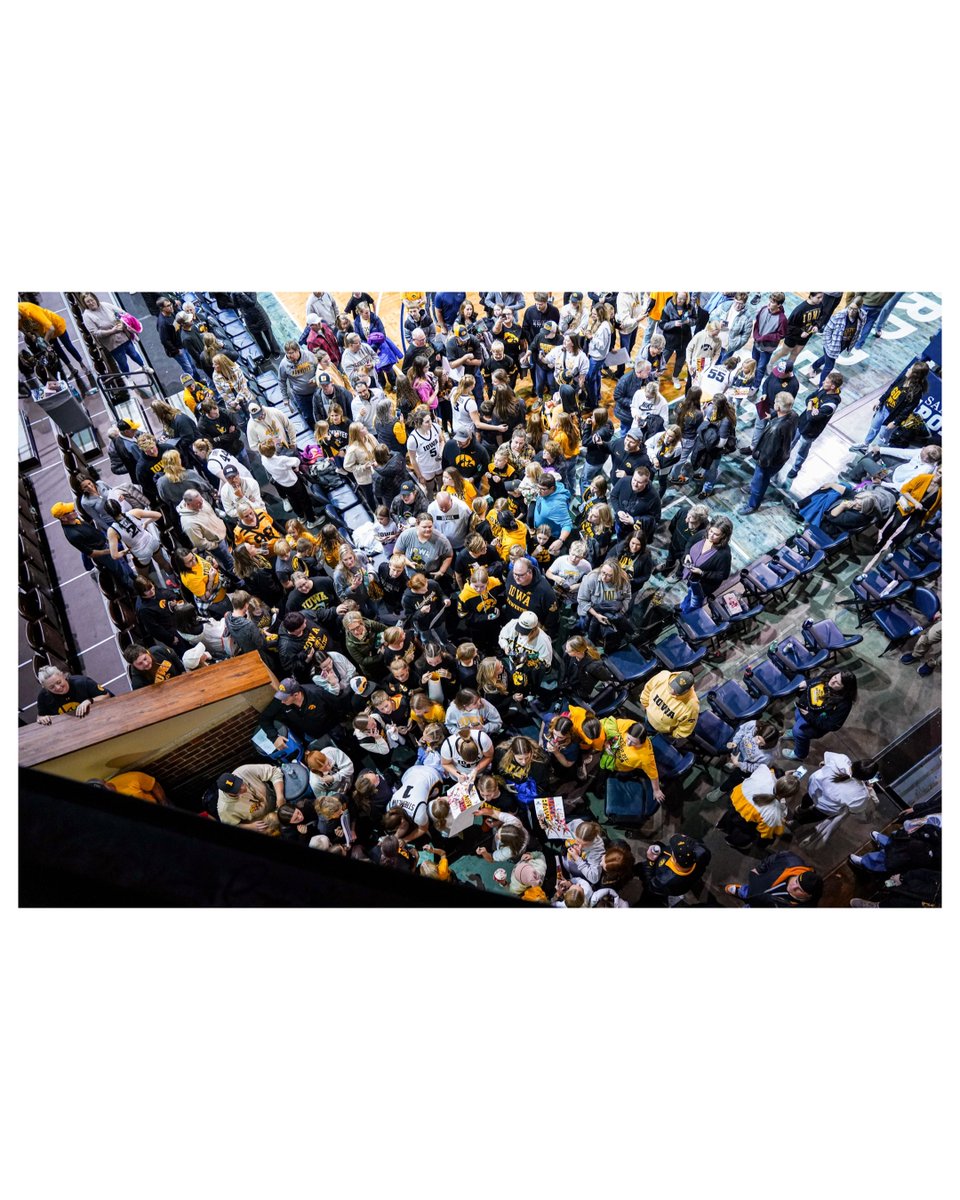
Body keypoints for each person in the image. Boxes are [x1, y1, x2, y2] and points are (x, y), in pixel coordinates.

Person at [738, 393, 800, 515]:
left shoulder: (775, 429)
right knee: (763, 479)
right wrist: (771, 416)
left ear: (778, 407)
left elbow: (767, 452)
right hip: (781, 456)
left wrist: (760, 463)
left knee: (759, 482)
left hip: (768, 462)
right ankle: (754, 488)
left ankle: (752, 505)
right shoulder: (794, 415)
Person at [783, 671, 858, 761]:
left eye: (837, 683)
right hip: (803, 709)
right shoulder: (829, 676)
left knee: (798, 732)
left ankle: (799, 754)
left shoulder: (844, 704)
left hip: (814, 723)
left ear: (844, 688)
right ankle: (794, 734)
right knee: (797, 722)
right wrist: (807, 683)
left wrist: (808, 716)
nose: (833, 681)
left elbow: (831, 725)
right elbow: (817, 680)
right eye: (835, 677)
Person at [785, 371, 843, 481]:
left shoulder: (831, 404)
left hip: (810, 431)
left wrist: (811, 404)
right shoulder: (824, 389)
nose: (823, 382)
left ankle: (796, 468)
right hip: (801, 422)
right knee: (790, 442)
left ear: (833, 386)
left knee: (802, 451)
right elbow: (808, 398)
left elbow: (812, 417)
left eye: (826, 381)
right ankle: (782, 457)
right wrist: (811, 407)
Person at [794, 753, 876, 824]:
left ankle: (801, 809)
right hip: (825, 807)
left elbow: (823, 762)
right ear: (866, 779)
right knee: (814, 816)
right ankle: (797, 823)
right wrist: (867, 788)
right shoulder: (861, 794)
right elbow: (854, 810)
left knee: (807, 798)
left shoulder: (841, 759)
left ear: (856, 763)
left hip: (813, 789)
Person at [80, 292, 148, 377]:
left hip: (124, 337)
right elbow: (96, 333)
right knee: (122, 362)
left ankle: (144, 367)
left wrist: (122, 323)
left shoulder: (105, 305)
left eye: (91, 300)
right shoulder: (87, 316)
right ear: (85, 304)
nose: (91, 303)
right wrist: (112, 331)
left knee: (134, 353)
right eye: (88, 302)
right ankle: (128, 377)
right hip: (112, 344)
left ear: (95, 299)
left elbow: (122, 313)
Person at [724, 852, 823, 907]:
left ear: (808, 896)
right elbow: (776, 858)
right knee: (751, 890)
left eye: (799, 889)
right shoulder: (791, 861)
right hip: (757, 885)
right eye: (796, 881)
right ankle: (743, 892)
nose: (793, 886)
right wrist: (758, 869)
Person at [176, 489, 235, 576]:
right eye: (198, 504)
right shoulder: (189, 523)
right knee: (230, 564)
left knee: (232, 555)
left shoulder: (200, 501)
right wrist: (215, 545)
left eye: (201, 501)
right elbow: (199, 543)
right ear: (188, 504)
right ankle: (242, 582)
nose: (201, 504)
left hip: (222, 534)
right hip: (217, 545)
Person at [576, 559, 632, 647]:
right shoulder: (591, 578)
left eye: (609, 575)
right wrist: (596, 615)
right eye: (603, 572)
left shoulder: (623, 581)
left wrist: (622, 611)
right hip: (590, 613)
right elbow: (581, 600)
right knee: (588, 633)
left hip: (611, 613)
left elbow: (627, 597)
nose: (604, 577)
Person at [641, 834, 711, 904]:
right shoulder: (702, 852)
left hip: (671, 886)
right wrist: (686, 838)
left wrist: (650, 862)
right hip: (690, 881)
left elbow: (651, 885)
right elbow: (697, 843)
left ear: (674, 859)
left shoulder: (665, 879)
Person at [808, 303, 865, 385]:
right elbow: (827, 331)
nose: (851, 311)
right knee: (829, 367)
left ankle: (813, 366)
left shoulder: (861, 317)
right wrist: (830, 345)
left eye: (854, 309)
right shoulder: (839, 316)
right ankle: (821, 386)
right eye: (850, 308)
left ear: (859, 309)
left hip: (842, 345)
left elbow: (859, 329)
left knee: (827, 357)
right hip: (832, 344)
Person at [155, 297, 209, 384]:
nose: (171, 306)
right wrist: (176, 351)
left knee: (192, 365)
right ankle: (192, 387)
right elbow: (164, 341)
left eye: (171, 304)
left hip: (182, 344)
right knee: (189, 369)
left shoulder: (171, 313)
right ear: (162, 308)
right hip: (178, 349)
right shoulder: (162, 323)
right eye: (168, 306)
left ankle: (198, 381)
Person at [216, 764, 285, 831]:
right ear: (228, 793)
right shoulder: (224, 808)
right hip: (262, 822)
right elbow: (231, 826)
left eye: (241, 783)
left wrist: (280, 796)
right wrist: (250, 827)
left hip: (274, 799)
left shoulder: (244, 771)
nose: (243, 788)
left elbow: (274, 772)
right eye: (238, 790)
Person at [35, 667, 113, 724]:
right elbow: (40, 717)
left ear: (63, 676)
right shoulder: (43, 697)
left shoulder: (82, 682)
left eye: (59, 682)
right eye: (52, 687)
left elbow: (107, 695)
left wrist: (89, 701)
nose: (58, 688)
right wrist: (42, 719)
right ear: (46, 688)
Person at [681, 515, 733, 599]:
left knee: (691, 602)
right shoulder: (703, 534)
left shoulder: (724, 554)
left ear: (723, 536)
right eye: (711, 531)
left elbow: (723, 575)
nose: (711, 536)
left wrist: (702, 573)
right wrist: (687, 554)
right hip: (689, 576)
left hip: (701, 585)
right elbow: (690, 542)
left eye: (716, 534)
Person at [640, 670, 700, 742]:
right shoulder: (662, 677)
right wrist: (644, 704)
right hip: (647, 716)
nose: (672, 691)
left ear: (687, 690)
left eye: (678, 691)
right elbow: (648, 689)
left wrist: (673, 736)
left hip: (664, 732)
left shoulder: (692, 706)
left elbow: (686, 727)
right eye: (673, 686)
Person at [278, 340, 319, 429]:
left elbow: (319, 367)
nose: (290, 356)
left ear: (298, 350)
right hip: (301, 396)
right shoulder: (284, 364)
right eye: (287, 353)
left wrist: (316, 378)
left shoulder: (309, 355)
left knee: (321, 412)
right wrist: (285, 397)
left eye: (292, 353)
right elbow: (281, 381)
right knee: (308, 417)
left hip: (317, 391)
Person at [749, 292, 787, 388]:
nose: (769, 304)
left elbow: (781, 334)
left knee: (761, 368)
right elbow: (757, 323)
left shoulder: (782, 319)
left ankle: (756, 386)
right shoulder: (763, 309)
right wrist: (756, 335)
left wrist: (766, 337)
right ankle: (750, 381)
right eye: (770, 301)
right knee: (753, 364)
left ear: (779, 305)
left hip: (767, 348)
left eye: (773, 302)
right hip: (757, 343)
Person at [229, 292, 282, 360]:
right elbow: (236, 305)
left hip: (259, 315)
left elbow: (252, 302)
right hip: (248, 317)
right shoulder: (235, 294)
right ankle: (266, 353)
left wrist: (242, 294)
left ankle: (276, 352)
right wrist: (233, 295)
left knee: (269, 336)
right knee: (258, 338)